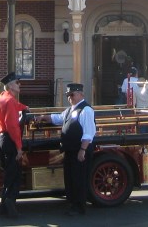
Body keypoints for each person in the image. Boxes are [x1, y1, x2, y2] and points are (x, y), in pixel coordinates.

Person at [37, 83, 95, 216]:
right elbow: (58, 118)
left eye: (72, 95)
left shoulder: (86, 110)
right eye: (68, 95)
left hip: (79, 151)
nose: (70, 98)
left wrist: (83, 150)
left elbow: (89, 132)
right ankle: (73, 204)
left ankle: (79, 207)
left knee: (79, 179)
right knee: (70, 179)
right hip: (70, 151)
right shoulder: (70, 110)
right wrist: (44, 117)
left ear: (81, 94)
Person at [0, 71, 29, 219]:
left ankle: (4, 208)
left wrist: (24, 107)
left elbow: (15, 106)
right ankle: (10, 205)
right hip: (9, 142)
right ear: (11, 86)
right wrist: (19, 148)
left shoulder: (2, 97)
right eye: (17, 83)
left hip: (0, 140)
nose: (20, 85)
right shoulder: (10, 101)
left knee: (8, 175)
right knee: (15, 176)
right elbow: (13, 127)